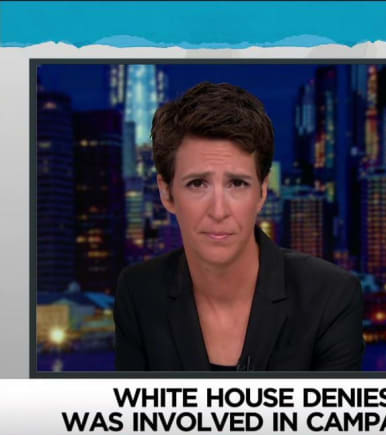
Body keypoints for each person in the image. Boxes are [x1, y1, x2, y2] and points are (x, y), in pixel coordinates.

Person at [114, 82, 364, 371]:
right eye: (197, 184)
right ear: (167, 193)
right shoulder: (139, 292)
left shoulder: (331, 296)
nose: (219, 211)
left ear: (262, 192)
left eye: (237, 184)